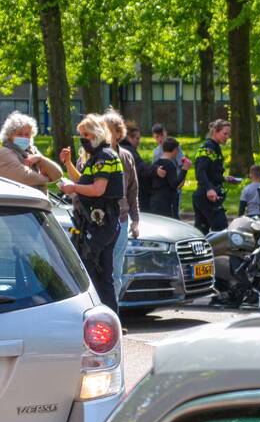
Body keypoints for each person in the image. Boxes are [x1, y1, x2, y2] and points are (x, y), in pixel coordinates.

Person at [63, 111, 140, 302]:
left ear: (97, 134)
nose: (83, 139)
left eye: (86, 135)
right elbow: (83, 180)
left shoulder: (104, 157)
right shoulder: (95, 156)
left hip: (104, 221)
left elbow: (98, 189)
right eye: (81, 135)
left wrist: (72, 188)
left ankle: (100, 314)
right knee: (103, 273)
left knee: (93, 269)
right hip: (100, 220)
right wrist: (67, 163)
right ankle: (107, 315)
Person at [0, 111, 62, 194]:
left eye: (27, 134)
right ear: (9, 135)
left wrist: (40, 158)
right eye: (19, 134)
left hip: (35, 203)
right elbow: (25, 176)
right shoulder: (3, 152)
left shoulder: (31, 150)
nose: (24, 137)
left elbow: (57, 175)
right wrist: (47, 179)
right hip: (14, 203)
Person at [191, 119, 238, 234]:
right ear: (215, 132)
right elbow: (200, 172)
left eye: (229, 134)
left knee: (201, 232)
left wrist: (224, 178)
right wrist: (209, 188)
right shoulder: (208, 148)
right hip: (206, 195)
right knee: (221, 229)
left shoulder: (215, 147)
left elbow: (210, 172)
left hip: (205, 194)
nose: (227, 137)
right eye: (225, 133)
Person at [152, 124, 191, 218]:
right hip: (164, 188)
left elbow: (182, 164)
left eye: (162, 135)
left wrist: (182, 180)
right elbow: (154, 169)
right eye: (157, 137)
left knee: (174, 210)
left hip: (176, 181)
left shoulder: (173, 146)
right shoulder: (156, 152)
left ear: (165, 133)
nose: (160, 139)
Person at [123, 123, 150, 211]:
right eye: (136, 138)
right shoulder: (129, 151)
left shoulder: (122, 148)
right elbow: (142, 169)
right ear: (128, 138)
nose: (138, 141)